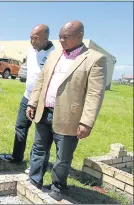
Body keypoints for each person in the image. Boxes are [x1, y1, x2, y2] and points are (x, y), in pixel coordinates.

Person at [26, 21, 107, 201]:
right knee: (38, 148)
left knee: (62, 157)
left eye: (66, 37)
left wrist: (86, 122)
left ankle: (58, 186)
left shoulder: (94, 59)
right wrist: (32, 103)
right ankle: (34, 180)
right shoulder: (54, 55)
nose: (61, 40)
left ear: (79, 36)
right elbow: (41, 80)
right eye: (60, 36)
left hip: (69, 117)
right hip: (44, 111)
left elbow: (95, 94)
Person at [0, 25, 55, 173]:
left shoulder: (53, 54)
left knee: (41, 136)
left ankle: (35, 165)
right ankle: (17, 157)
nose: (32, 40)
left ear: (45, 37)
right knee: (20, 127)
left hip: (43, 101)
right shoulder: (31, 50)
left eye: (35, 38)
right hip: (27, 97)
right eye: (31, 37)